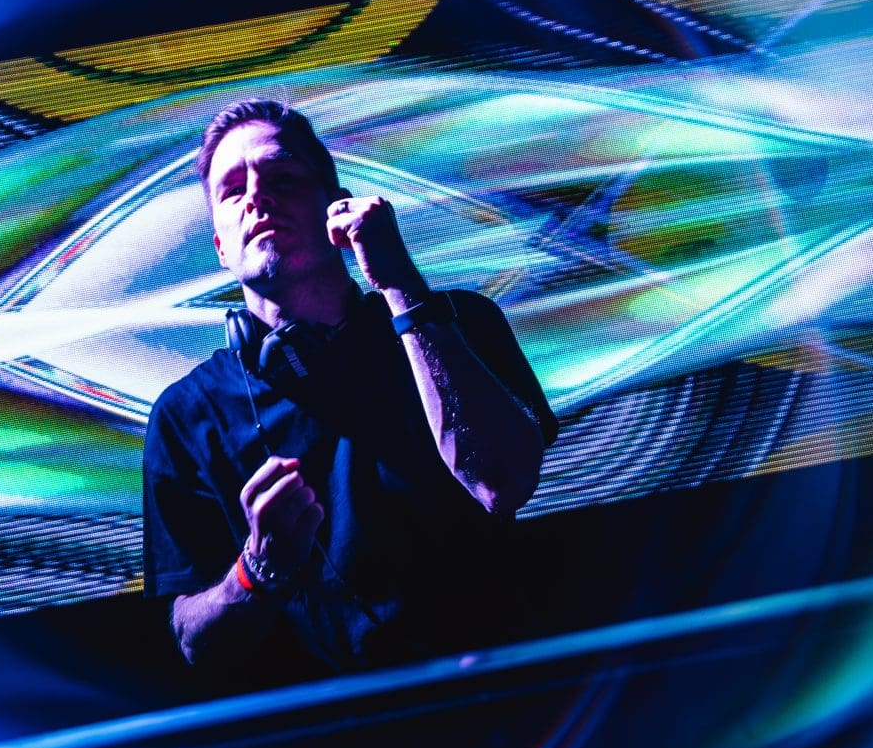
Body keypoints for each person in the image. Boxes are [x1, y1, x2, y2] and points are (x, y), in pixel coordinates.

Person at [142, 99, 560, 682]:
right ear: (220, 246)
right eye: (233, 190)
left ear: (335, 210)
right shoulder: (186, 416)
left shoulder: (460, 324)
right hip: (338, 727)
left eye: (283, 178)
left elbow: (502, 483)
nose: (256, 197)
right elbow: (194, 642)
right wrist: (257, 569)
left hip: (507, 688)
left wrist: (399, 282)